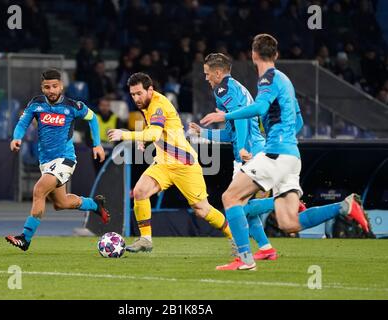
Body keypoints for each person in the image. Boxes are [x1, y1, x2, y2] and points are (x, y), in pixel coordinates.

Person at [200, 34, 371, 271]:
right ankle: (344, 207)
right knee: (289, 223)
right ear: (277, 55)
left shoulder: (267, 79)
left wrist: (224, 116)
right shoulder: (285, 80)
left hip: (276, 153)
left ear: (253, 54)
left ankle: (245, 259)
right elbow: (298, 120)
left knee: (230, 198)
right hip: (292, 156)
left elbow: (259, 108)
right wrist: (283, 139)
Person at [189, 53, 306, 261]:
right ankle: (266, 248)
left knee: (236, 203)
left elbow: (241, 123)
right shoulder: (235, 88)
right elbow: (230, 133)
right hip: (252, 148)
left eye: (207, 74)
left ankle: (284, 203)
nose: (206, 78)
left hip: (250, 151)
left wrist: (242, 148)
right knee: (243, 206)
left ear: (218, 73)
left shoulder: (223, 88)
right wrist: (203, 133)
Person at [108, 72, 233, 253]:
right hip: (163, 163)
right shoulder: (147, 104)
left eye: (139, 93)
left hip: (184, 164)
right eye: (133, 94)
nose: (136, 98)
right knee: (140, 192)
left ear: (150, 90)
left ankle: (235, 237)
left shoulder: (158, 105)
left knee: (201, 209)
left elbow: (155, 133)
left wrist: (125, 134)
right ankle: (146, 239)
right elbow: (155, 130)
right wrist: (145, 138)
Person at [5, 69, 110, 251]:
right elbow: (23, 123)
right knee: (61, 203)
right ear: (42, 88)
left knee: (38, 191)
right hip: (46, 162)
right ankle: (95, 205)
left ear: (61, 86)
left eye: (54, 86)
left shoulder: (72, 106)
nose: (51, 90)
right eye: (47, 87)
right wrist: (17, 137)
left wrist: (97, 144)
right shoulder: (36, 104)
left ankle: (25, 238)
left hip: (65, 159)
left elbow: (93, 118)